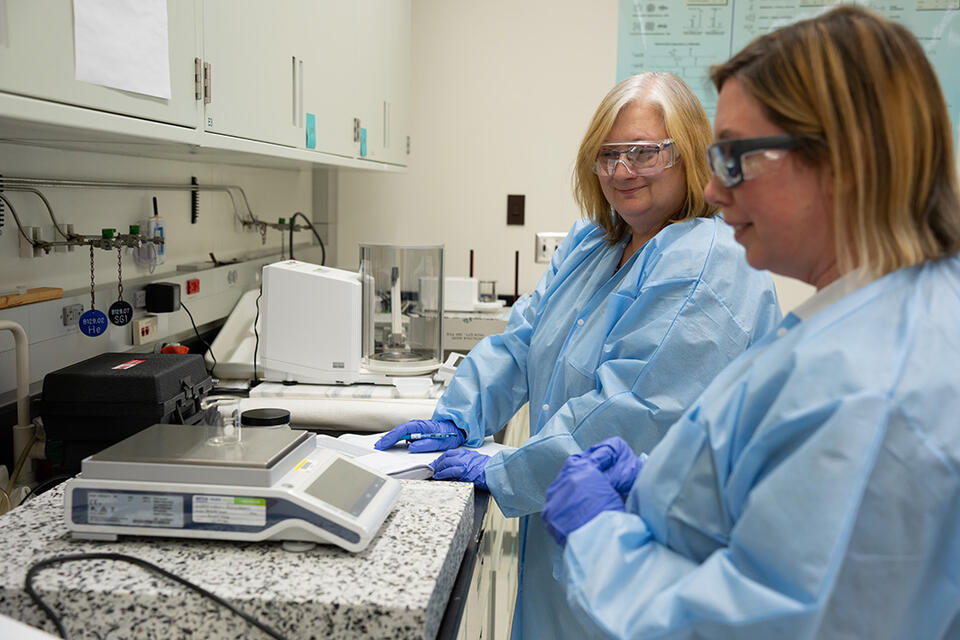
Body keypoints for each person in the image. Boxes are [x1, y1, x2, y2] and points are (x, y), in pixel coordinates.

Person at [542, 6, 960, 638]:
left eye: (737, 158)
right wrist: (656, 483)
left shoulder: (876, 390)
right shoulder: (864, 312)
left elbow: (758, 624)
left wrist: (601, 537)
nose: (712, 191)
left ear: (846, 161)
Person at [376, 73, 782, 638]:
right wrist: (458, 415)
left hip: (644, 556)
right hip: (564, 537)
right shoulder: (597, 242)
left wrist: (504, 466)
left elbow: (631, 410)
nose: (622, 170)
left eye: (643, 152)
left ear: (688, 153)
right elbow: (522, 341)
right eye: (608, 154)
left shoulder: (708, 264)